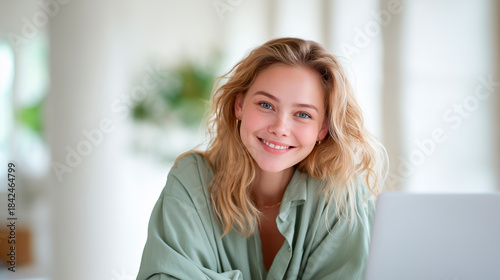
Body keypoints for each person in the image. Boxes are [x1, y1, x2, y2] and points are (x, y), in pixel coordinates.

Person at [136, 37, 387, 280]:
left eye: (302, 114)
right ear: (239, 106)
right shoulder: (191, 181)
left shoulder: (344, 197)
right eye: (266, 105)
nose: (280, 128)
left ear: (322, 128)